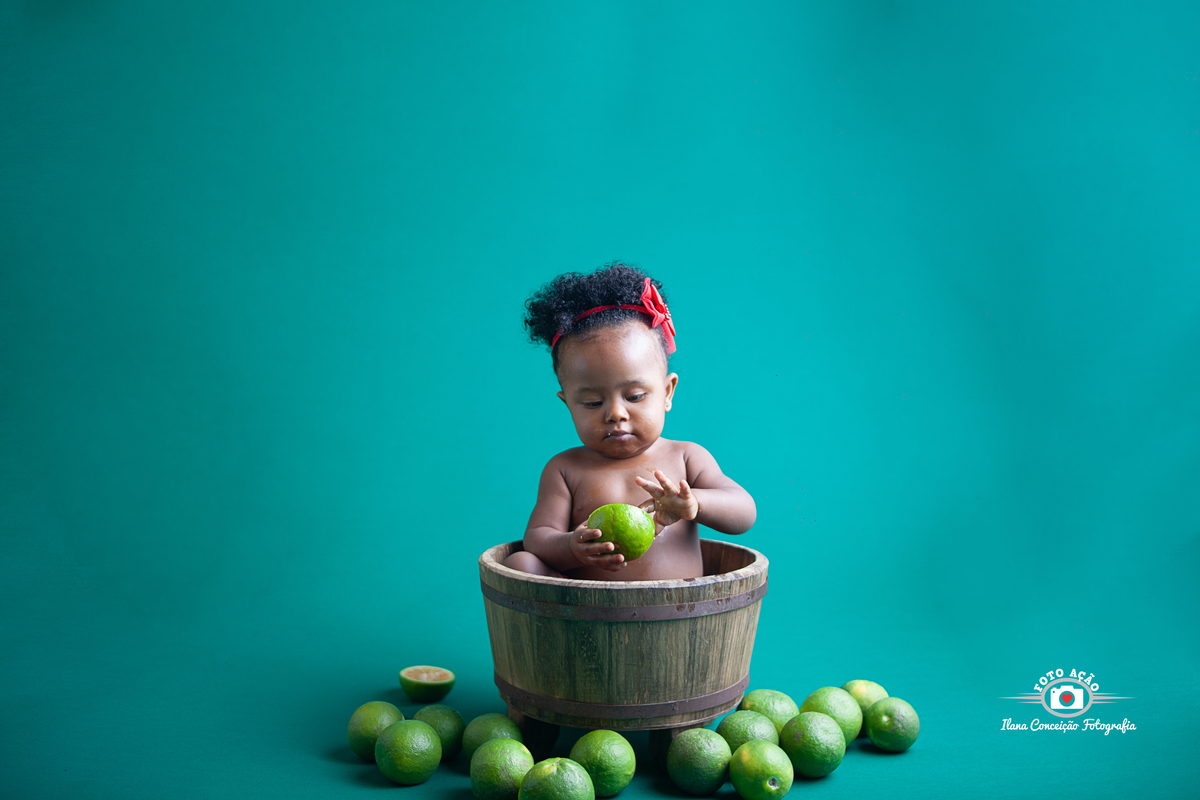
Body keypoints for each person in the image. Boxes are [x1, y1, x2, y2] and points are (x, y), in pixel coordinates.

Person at [503, 262, 756, 581]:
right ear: (568, 404)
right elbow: (538, 537)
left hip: (676, 615)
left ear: (667, 392)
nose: (615, 414)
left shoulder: (686, 458)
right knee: (520, 564)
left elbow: (744, 511)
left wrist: (694, 503)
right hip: (588, 615)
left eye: (635, 396)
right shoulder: (565, 470)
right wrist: (572, 546)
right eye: (592, 402)